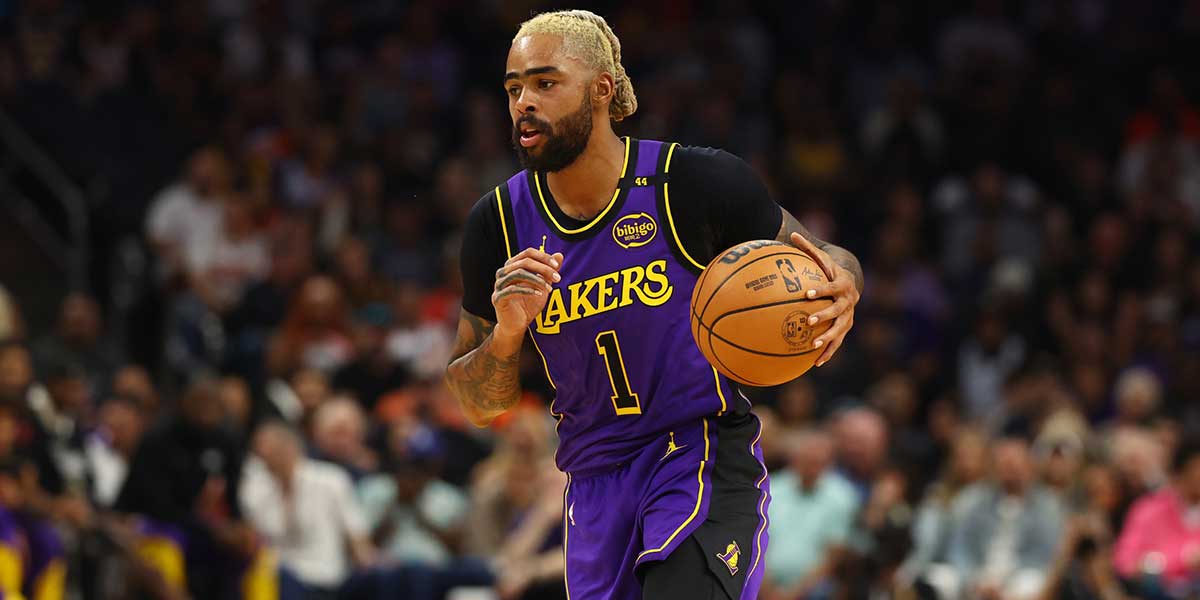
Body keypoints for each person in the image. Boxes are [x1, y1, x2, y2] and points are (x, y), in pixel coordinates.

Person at [446, 11, 863, 599]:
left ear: (601, 89)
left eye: (545, 82)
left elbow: (822, 255)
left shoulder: (692, 183)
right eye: (514, 88)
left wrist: (844, 280)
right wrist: (507, 335)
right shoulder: (496, 226)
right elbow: (475, 404)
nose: (523, 103)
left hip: (697, 456)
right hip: (590, 485)